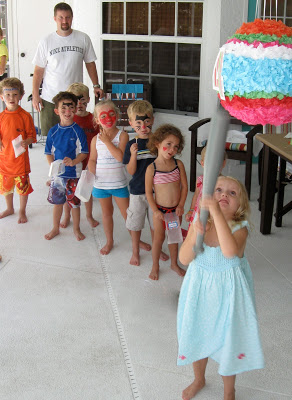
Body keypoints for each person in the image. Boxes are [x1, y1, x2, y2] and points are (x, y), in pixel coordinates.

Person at [177, 176, 264, 400]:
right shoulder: (200, 220)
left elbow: (229, 252)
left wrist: (215, 213)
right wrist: (197, 231)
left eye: (232, 193)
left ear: (241, 207)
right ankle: (199, 378)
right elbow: (185, 258)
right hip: (199, 290)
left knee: (229, 342)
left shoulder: (240, 228)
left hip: (229, 296)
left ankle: (229, 391)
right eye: (219, 190)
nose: (224, 194)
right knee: (198, 333)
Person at [32, 2, 104, 137]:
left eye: (68, 17)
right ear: (55, 18)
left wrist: (96, 85)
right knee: (51, 138)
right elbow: (38, 71)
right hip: (50, 98)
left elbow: (90, 63)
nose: (64, 21)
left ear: (72, 17)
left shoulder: (83, 38)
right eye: (61, 17)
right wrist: (36, 94)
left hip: (75, 99)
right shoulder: (46, 41)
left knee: (75, 137)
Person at [122, 100, 169, 266]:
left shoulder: (158, 143)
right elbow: (131, 171)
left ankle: (158, 248)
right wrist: (133, 155)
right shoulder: (131, 144)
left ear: (153, 120)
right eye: (139, 123)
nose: (143, 126)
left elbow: (165, 165)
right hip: (138, 191)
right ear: (131, 123)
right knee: (135, 224)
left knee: (156, 224)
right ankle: (135, 251)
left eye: (147, 122)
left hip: (157, 193)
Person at [145, 124, 188, 280]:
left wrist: (181, 205)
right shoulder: (152, 168)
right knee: (158, 238)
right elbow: (149, 192)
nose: (172, 149)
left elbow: (184, 187)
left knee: (174, 237)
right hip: (160, 212)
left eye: (176, 147)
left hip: (175, 211)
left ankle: (174, 264)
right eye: (168, 144)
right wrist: (155, 210)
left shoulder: (178, 165)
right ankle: (155, 265)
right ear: (157, 143)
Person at [44, 91, 88, 241]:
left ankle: (76, 228)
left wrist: (74, 162)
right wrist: (53, 167)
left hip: (74, 174)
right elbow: (48, 152)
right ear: (57, 111)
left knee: (74, 204)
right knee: (57, 203)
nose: (67, 112)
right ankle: (55, 228)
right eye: (63, 109)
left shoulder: (78, 131)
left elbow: (84, 152)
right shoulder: (53, 131)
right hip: (58, 176)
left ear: (75, 109)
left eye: (71, 108)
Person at [60, 82, 100, 229]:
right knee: (68, 192)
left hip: (89, 161)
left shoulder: (93, 119)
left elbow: (99, 141)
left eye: (83, 101)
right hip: (72, 163)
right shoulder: (69, 120)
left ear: (88, 99)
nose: (80, 105)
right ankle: (67, 215)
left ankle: (89, 216)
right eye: (76, 103)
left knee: (86, 191)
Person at [0, 77, 36, 223]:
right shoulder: (1, 117)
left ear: (21, 96)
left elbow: (32, 136)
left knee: (23, 188)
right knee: (6, 187)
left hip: (20, 163)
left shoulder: (25, 116)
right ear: (2, 97)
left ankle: (22, 210)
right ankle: (10, 208)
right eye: (7, 95)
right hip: (4, 162)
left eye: (15, 94)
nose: (11, 98)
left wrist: (27, 141)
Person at [185, 145, 227, 228]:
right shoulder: (200, 179)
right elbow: (196, 195)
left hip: (212, 217)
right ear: (203, 163)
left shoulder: (224, 183)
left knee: (208, 237)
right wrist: (191, 210)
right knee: (194, 234)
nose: (213, 166)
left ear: (223, 163)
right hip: (198, 212)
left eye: (217, 162)